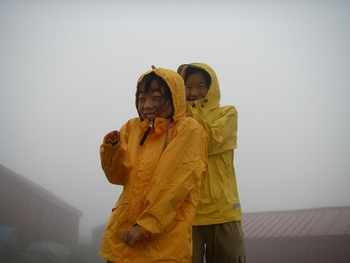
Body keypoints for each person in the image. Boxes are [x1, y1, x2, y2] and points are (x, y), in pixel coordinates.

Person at [99, 67, 208, 263]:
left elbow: (174, 186)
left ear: (175, 97)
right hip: (123, 236)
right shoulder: (132, 128)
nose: (147, 105)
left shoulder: (188, 129)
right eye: (141, 99)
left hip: (164, 241)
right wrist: (113, 149)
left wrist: (145, 226)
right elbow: (117, 177)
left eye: (156, 98)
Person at [177, 63, 246, 263]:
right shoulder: (175, 120)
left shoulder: (228, 114)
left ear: (211, 87)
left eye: (201, 86)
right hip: (187, 213)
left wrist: (186, 106)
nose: (194, 92)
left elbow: (207, 140)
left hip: (224, 212)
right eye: (186, 87)